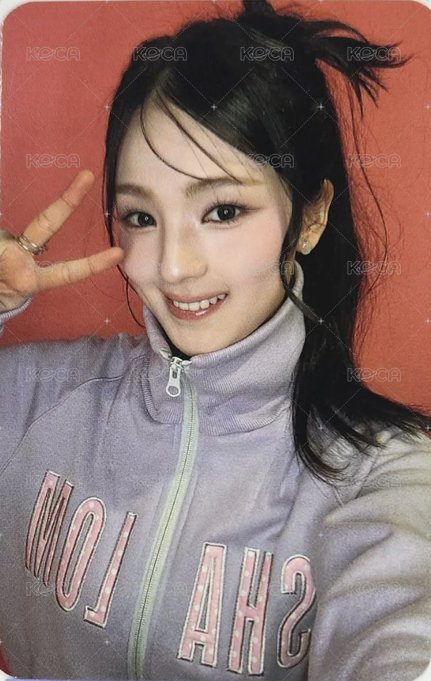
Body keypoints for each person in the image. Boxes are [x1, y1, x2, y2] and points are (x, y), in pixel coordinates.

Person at [0, 0, 430, 679]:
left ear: (310, 217)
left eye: (222, 210)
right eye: (141, 216)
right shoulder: (32, 399)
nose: (173, 266)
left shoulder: (386, 476)